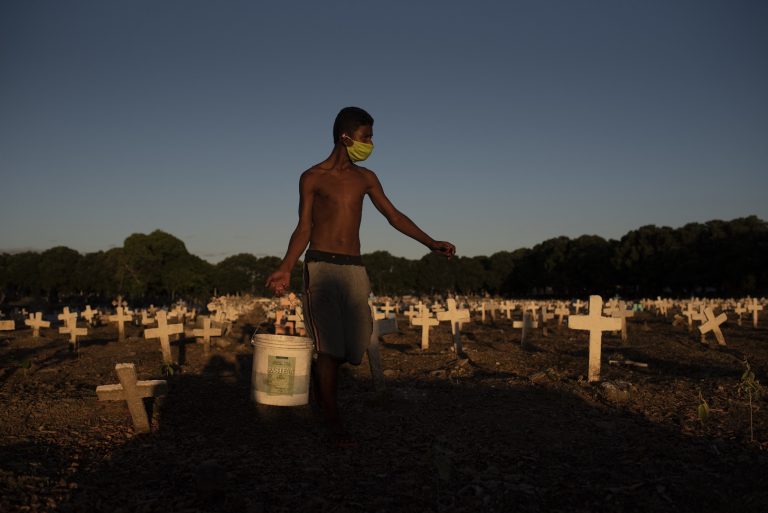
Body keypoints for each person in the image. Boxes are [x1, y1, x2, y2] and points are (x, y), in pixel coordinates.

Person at [266, 106, 455, 445]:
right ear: (346, 137)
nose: (371, 143)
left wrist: (430, 242)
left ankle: (322, 390)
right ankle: (332, 418)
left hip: (354, 267)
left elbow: (394, 216)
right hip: (321, 266)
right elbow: (304, 227)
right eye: (367, 136)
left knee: (353, 348)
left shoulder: (365, 178)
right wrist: (286, 266)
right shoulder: (312, 177)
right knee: (328, 348)